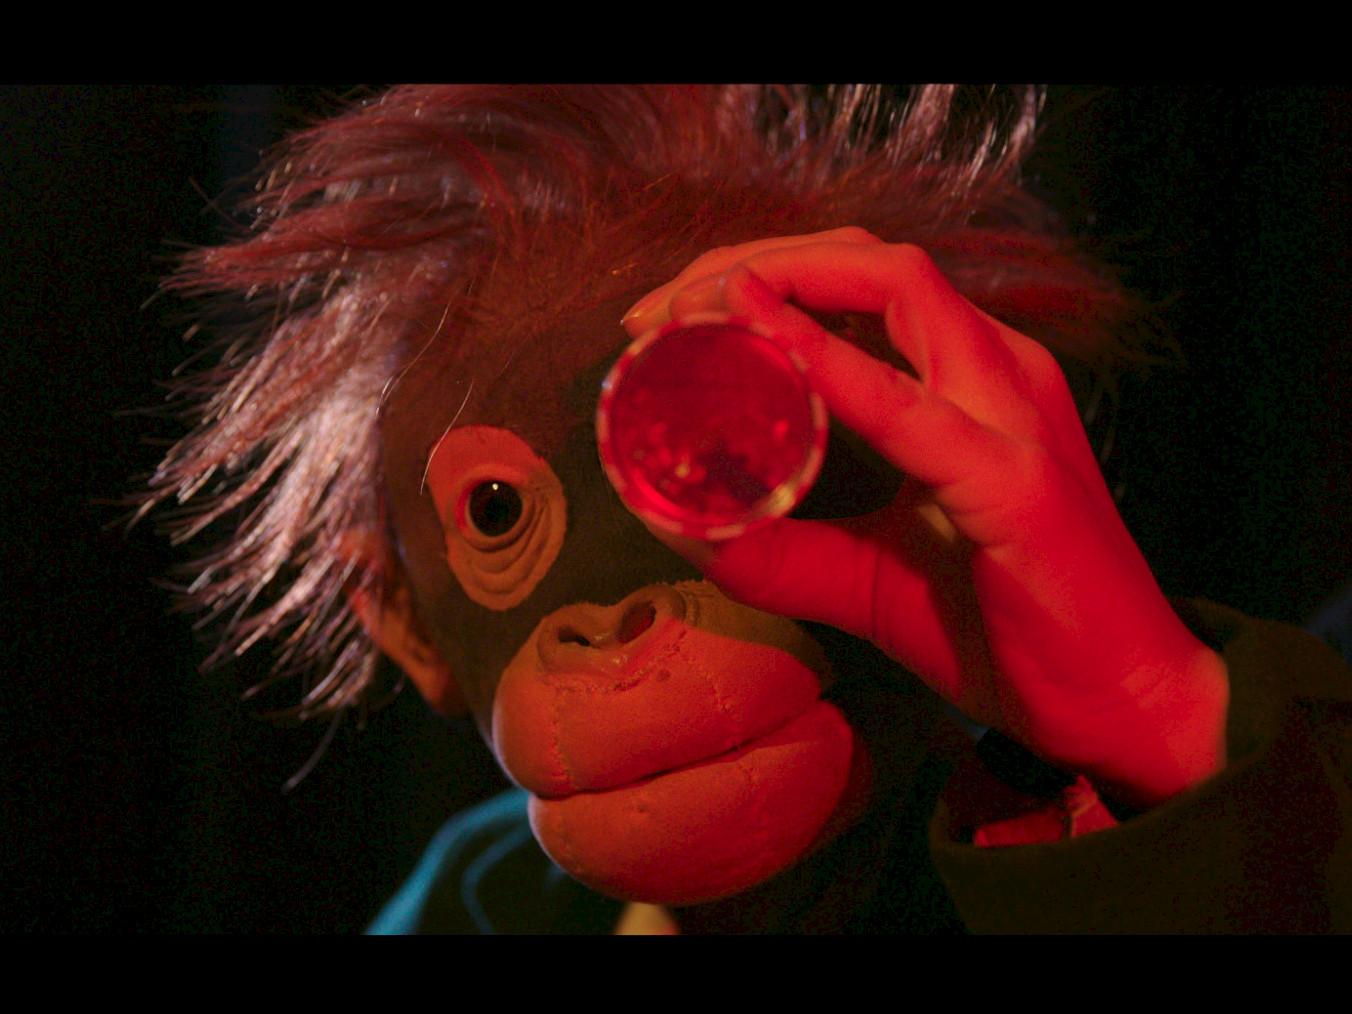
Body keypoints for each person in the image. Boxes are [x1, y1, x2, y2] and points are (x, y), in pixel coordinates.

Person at [142, 85, 1352, 932]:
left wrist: (1146, 714)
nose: (615, 624)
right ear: (405, 623)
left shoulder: (1047, 850)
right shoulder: (485, 903)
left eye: (717, 459)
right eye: (497, 514)